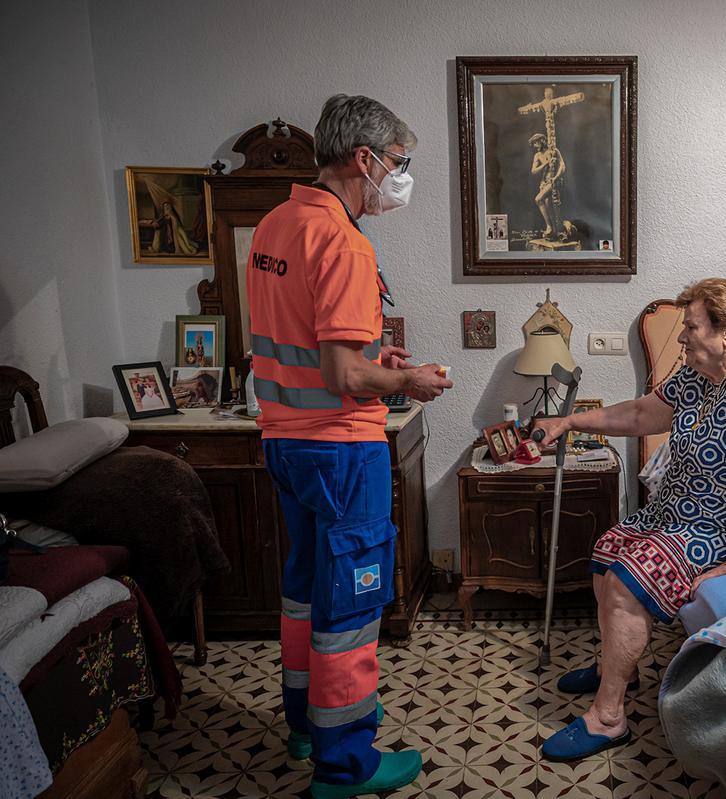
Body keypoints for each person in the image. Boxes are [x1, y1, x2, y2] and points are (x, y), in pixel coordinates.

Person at [246, 93, 453, 799]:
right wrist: (412, 379)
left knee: (306, 587)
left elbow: (310, 346)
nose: (400, 177)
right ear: (362, 159)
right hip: (340, 447)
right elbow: (342, 376)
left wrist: (374, 354)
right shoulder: (344, 241)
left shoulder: (276, 224)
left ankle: (306, 720)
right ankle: (346, 761)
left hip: (285, 441)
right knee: (355, 598)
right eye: (398, 162)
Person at [532, 277, 726, 761]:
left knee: (625, 581)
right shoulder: (699, 377)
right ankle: (619, 667)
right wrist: (570, 421)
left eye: (692, 327)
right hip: (682, 510)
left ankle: (608, 718)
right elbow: (641, 415)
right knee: (605, 551)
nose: (681, 337)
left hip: (725, 524)